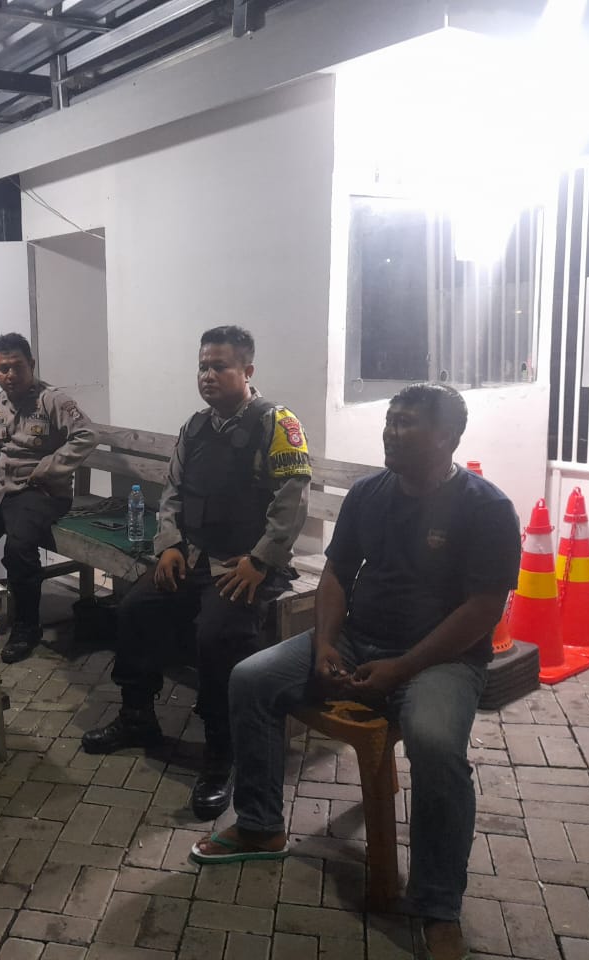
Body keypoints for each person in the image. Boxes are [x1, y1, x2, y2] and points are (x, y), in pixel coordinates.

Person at [189, 383, 520, 960]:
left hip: (440, 659)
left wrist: (404, 667)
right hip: (357, 639)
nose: (391, 431)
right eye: (390, 419)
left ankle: (437, 903)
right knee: (251, 679)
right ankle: (261, 825)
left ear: (446, 436)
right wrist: (323, 643)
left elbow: (483, 609)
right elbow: (338, 574)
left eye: (407, 422)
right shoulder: (370, 493)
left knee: (435, 742)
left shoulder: (485, 508)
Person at [82, 325, 313, 822]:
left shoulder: (276, 423)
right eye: (203, 366)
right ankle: (137, 715)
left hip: (245, 566)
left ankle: (221, 752)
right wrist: (169, 545)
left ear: (247, 371)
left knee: (217, 635)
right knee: (135, 608)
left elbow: (292, 502)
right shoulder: (195, 427)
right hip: (195, 557)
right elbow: (172, 493)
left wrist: (260, 560)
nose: (208, 375)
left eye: (219, 366)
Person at [0, 333, 98, 663]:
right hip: (1, 491)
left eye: (18, 366)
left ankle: (27, 627)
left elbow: (87, 435)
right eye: (3, 368)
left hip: (40, 492)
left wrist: (49, 468)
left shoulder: (52, 400)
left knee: (18, 549)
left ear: (32, 365)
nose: (11, 374)